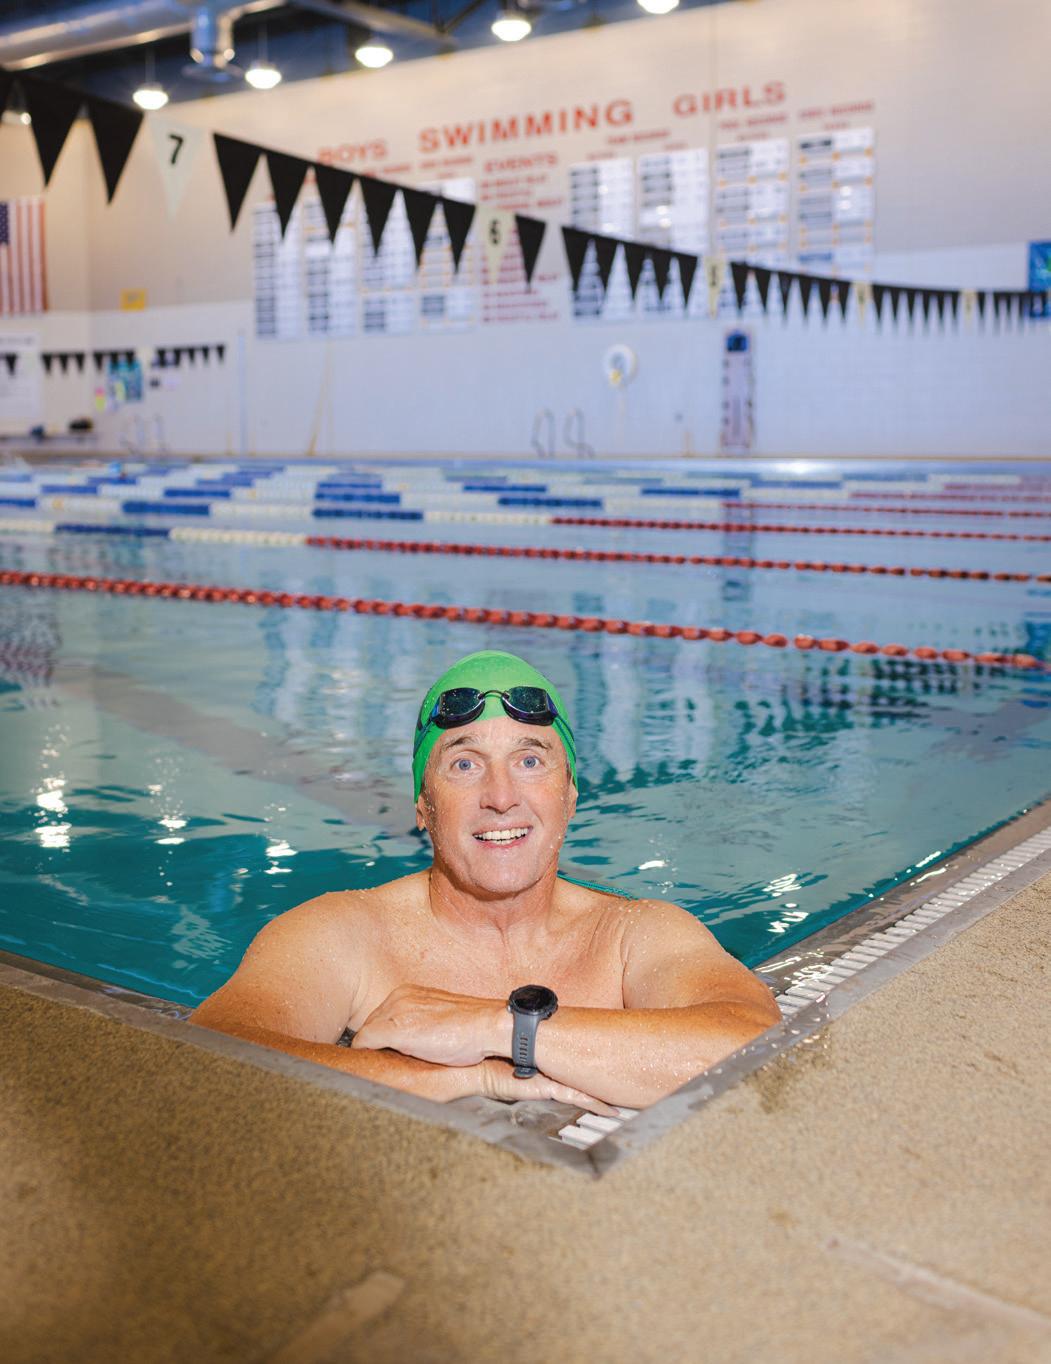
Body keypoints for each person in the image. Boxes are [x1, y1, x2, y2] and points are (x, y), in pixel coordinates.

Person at [189, 650, 781, 1112]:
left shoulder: (633, 935)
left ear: (569, 796)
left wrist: (495, 1028)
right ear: (423, 805)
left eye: (530, 761)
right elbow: (206, 1059)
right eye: (465, 764)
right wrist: (469, 1077)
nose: (500, 797)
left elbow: (757, 1050)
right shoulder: (343, 934)